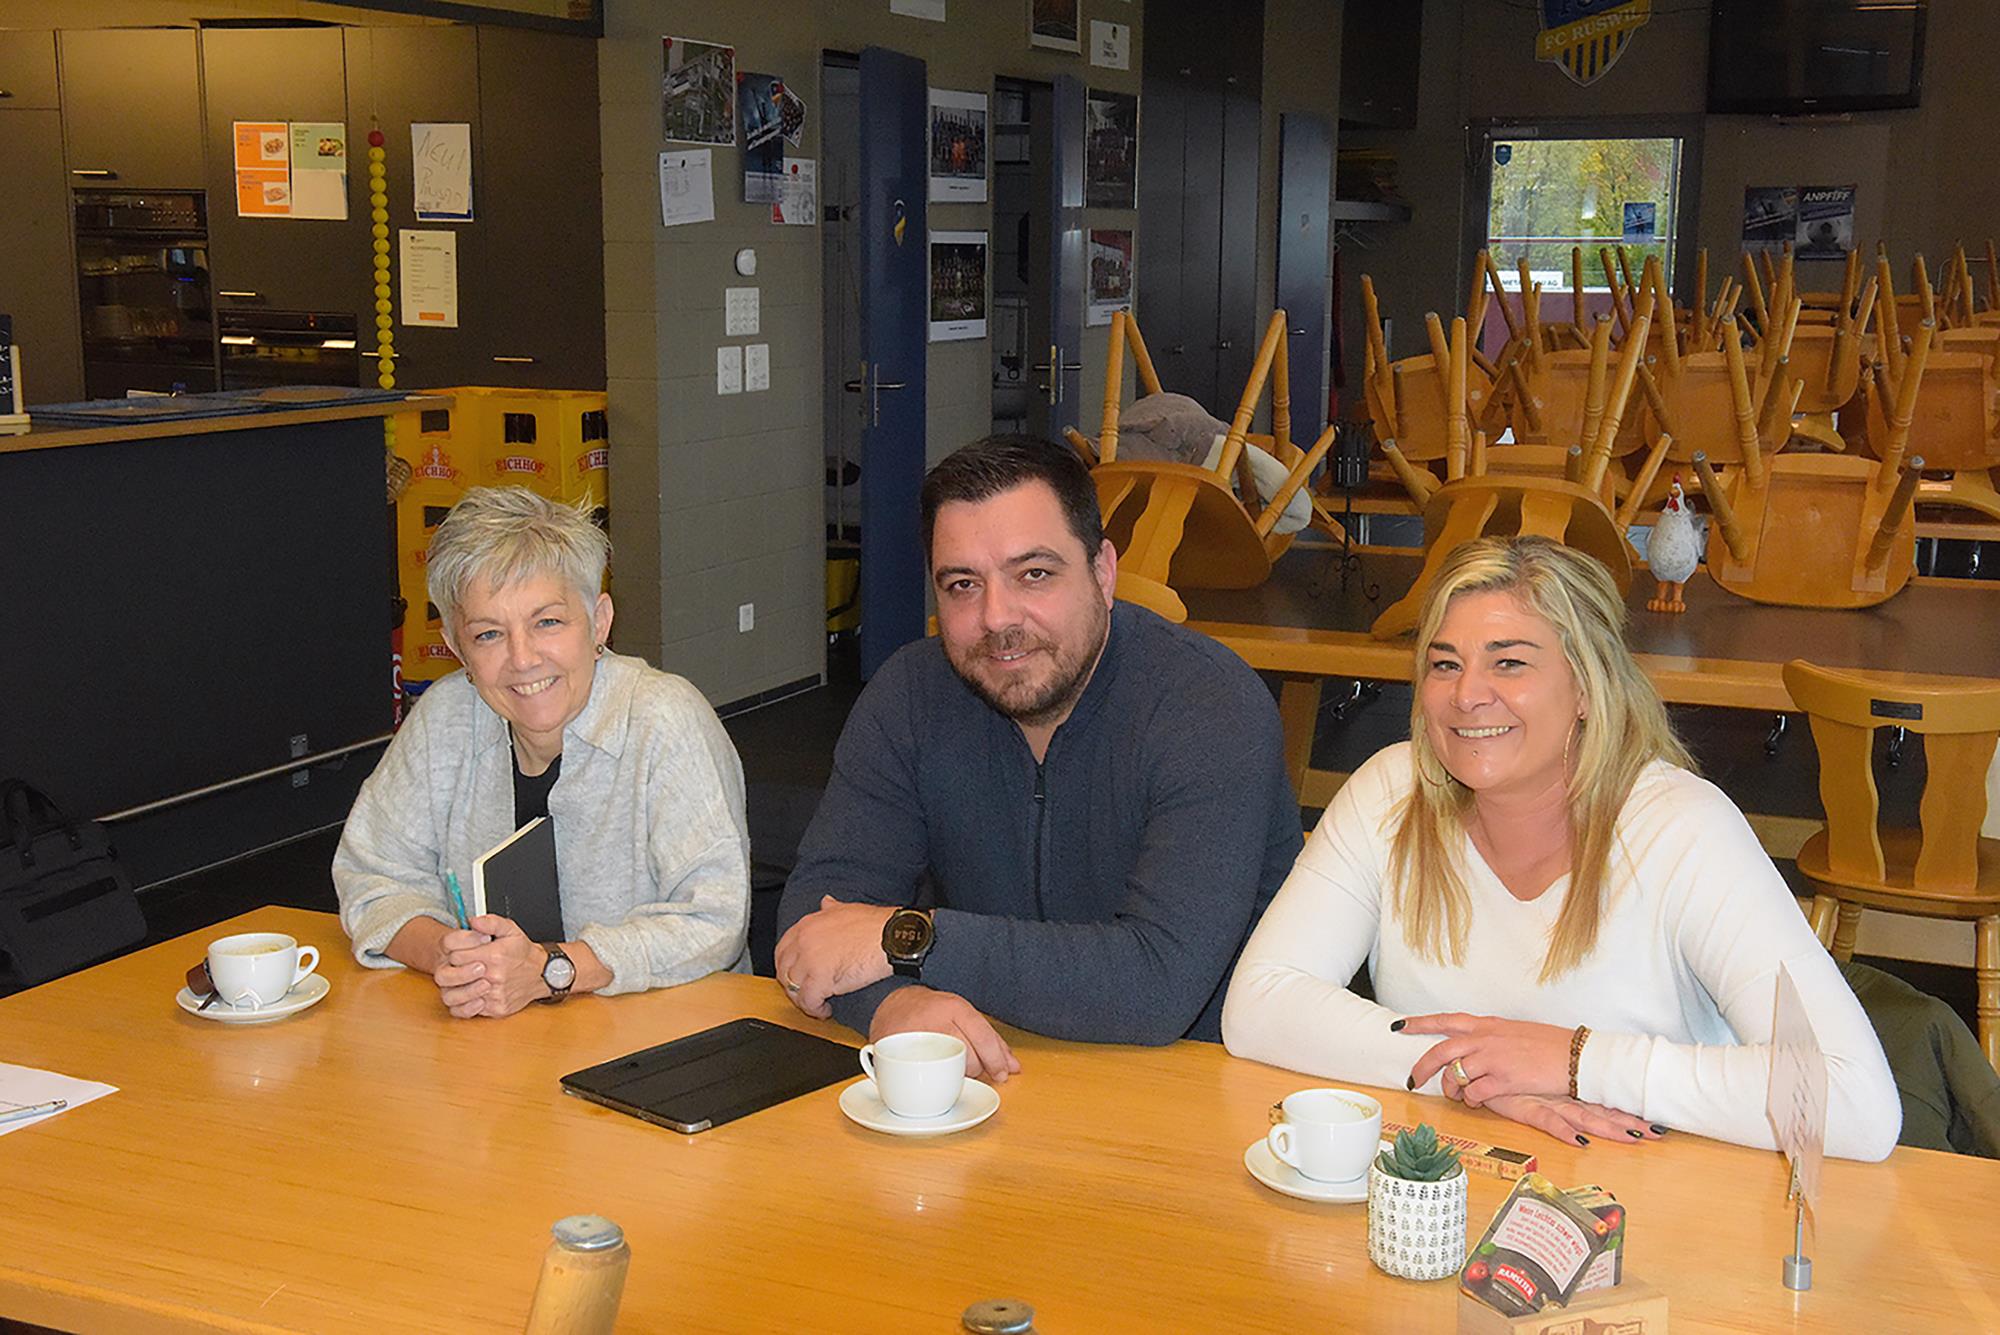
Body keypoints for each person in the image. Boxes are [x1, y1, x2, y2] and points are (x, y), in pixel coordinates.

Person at [1222, 536, 1901, 1159]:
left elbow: (1853, 1101)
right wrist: (1473, 1073)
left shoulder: (1684, 828)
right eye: (1444, 664)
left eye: (1509, 663)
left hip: (1665, 1218)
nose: (1466, 695)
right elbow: (1258, 1005)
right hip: (1457, 1188)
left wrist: (1575, 1060)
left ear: (1585, 685)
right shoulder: (1389, 793)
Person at [773, 434, 1301, 1078]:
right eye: (963, 584)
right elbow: (815, 920)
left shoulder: (1207, 705)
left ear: (1103, 573)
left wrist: (911, 938)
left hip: (1201, 1083)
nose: (997, 617)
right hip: (990, 1070)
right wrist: (892, 1000)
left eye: (1035, 574)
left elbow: (1158, 986)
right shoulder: (911, 695)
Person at [334, 486, 751, 1017]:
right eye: (488, 634)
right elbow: (373, 875)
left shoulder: (664, 720)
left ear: (599, 622)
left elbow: (714, 920)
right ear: (457, 648)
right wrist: (445, 951)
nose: (523, 658)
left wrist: (554, 969)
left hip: (661, 1029)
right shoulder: (444, 719)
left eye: (547, 622)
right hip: (492, 1036)